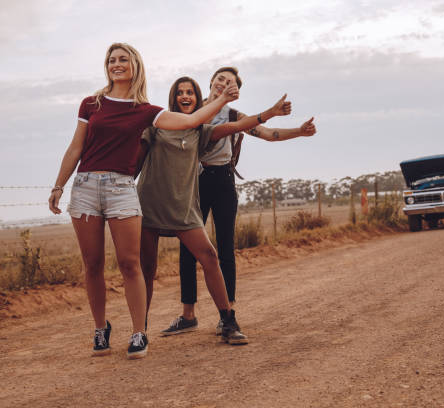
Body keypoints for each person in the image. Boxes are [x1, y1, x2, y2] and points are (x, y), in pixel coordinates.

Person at [47, 43, 239, 359]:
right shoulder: (91, 103)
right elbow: (75, 148)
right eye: (111, 59)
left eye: (123, 59)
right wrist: (58, 185)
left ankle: (139, 334)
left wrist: (221, 98)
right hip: (85, 186)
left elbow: (190, 122)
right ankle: (100, 330)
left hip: (122, 188)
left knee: (129, 263)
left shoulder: (145, 111)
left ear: (135, 66)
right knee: (92, 264)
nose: (116, 64)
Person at [161, 67, 316, 337]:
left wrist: (299, 131)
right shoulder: (193, 110)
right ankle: (188, 315)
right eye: (220, 79)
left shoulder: (234, 116)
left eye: (230, 82)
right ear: (211, 83)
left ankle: (227, 314)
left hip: (221, 180)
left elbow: (268, 134)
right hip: (192, 183)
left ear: (236, 91)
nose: (223, 83)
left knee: (225, 247)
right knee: (187, 248)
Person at [138, 76, 293, 344]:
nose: (185, 96)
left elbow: (239, 125)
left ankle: (228, 321)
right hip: (149, 204)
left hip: (182, 207)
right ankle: (139, 331)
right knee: (147, 269)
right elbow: (132, 160)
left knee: (210, 256)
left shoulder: (202, 132)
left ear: (198, 100)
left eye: (190, 93)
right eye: (180, 92)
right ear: (173, 98)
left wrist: (270, 113)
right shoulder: (154, 129)